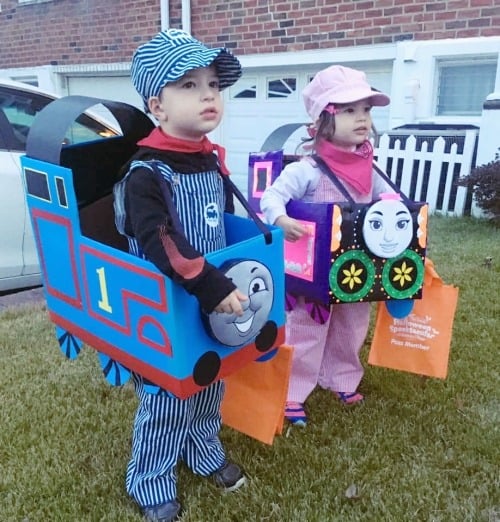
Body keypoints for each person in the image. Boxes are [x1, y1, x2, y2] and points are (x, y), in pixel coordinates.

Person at [113, 29, 247, 522]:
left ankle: (203, 449)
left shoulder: (208, 161)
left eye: (212, 83)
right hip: (165, 298)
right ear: (158, 105)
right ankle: (150, 478)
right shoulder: (147, 173)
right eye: (188, 85)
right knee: (168, 392)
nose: (209, 93)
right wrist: (212, 284)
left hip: (210, 296)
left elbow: (222, 223)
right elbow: (160, 240)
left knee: (210, 380)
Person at [260, 65, 392, 427]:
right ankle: (293, 390)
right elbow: (272, 196)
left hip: (354, 267)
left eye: (366, 109)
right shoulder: (309, 169)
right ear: (324, 120)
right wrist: (281, 219)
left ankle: (341, 378)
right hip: (314, 270)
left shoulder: (369, 167)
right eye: (349, 110)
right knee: (306, 328)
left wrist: (396, 209)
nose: (362, 118)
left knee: (351, 325)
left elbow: (389, 198)